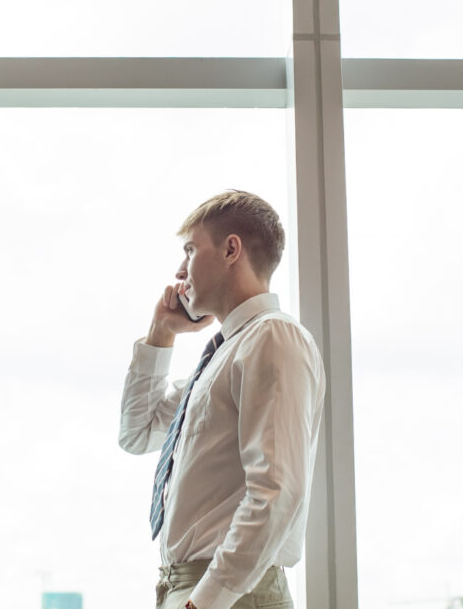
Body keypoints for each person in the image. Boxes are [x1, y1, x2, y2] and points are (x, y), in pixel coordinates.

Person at [118, 190, 326, 609]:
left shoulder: (271, 337)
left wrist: (206, 601)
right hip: (196, 588)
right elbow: (136, 433)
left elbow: (277, 490)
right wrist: (161, 331)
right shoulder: (220, 358)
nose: (179, 271)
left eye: (190, 250)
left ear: (231, 249)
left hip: (228, 594)